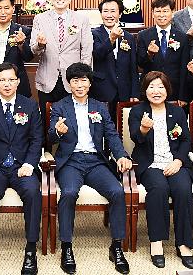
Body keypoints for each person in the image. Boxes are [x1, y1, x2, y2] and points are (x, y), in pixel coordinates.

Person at [49, 62, 132, 275]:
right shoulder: (59, 106)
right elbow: (49, 137)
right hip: (71, 161)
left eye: (83, 80)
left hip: (96, 161)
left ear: (90, 83)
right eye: (75, 81)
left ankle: (116, 246)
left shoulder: (100, 107)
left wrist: (121, 155)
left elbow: (111, 135)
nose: (79, 85)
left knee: (117, 191)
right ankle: (66, 247)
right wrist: (58, 132)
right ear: (69, 84)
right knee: (69, 193)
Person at [0, 63, 42, 275]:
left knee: (33, 191)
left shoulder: (30, 105)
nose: (7, 84)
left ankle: (30, 250)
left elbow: (37, 139)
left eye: (11, 79)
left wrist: (29, 164)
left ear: (18, 81)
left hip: (22, 165)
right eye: (2, 80)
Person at [127, 72, 193, 269]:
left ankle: (184, 244)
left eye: (160, 87)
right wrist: (143, 129)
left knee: (183, 190)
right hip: (150, 163)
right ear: (145, 90)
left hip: (174, 162)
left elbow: (186, 140)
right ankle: (156, 243)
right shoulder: (137, 111)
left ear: (167, 90)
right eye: (151, 87)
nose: (156, 91)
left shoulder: (177, 111)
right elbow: (135, 139)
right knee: (158, 189)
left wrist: (179, 161)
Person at [30, 0, 93, 135]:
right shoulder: (40, 19)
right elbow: (33, 49)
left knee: (72, 119)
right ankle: (47, 146)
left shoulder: (81, 19)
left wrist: (82, 77)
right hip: (48, 78)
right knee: (46, 119)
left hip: (72, 79)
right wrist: (40, 44)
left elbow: (86, 49)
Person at [136, 0, 191, 106]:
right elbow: (140, 64)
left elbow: (184, 69)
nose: (161, 15)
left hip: (174, 91)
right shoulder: (143, 35)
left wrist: (183, 95)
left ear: (172, 12)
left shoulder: (182, 37)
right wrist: (149, 54)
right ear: (153, 13)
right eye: (158, 11)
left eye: (165, 11)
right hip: (151, 90)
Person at [90, 0, 139, 115]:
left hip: (124, 92)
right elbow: (97, 55)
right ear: (101, 14)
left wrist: (134, 93)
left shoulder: (128, 37)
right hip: (101, 90)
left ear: (120, 14)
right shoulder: (93, 34)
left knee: (122, 124)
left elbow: (133, 67)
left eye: (113, 11)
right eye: (105, 11)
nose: (109, 15)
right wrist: (111, 39)